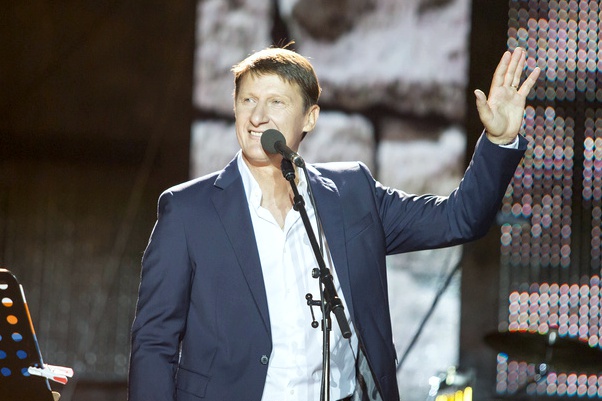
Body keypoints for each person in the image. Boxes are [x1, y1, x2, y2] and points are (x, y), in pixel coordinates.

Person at [128, 45, 540, 401]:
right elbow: (153, 342)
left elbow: (459, 219)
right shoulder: (188, 211)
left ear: (309, 118)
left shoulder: (351, 194)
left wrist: (499, 141)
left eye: (276, 102)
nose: (258, 116)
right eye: (248, 100)